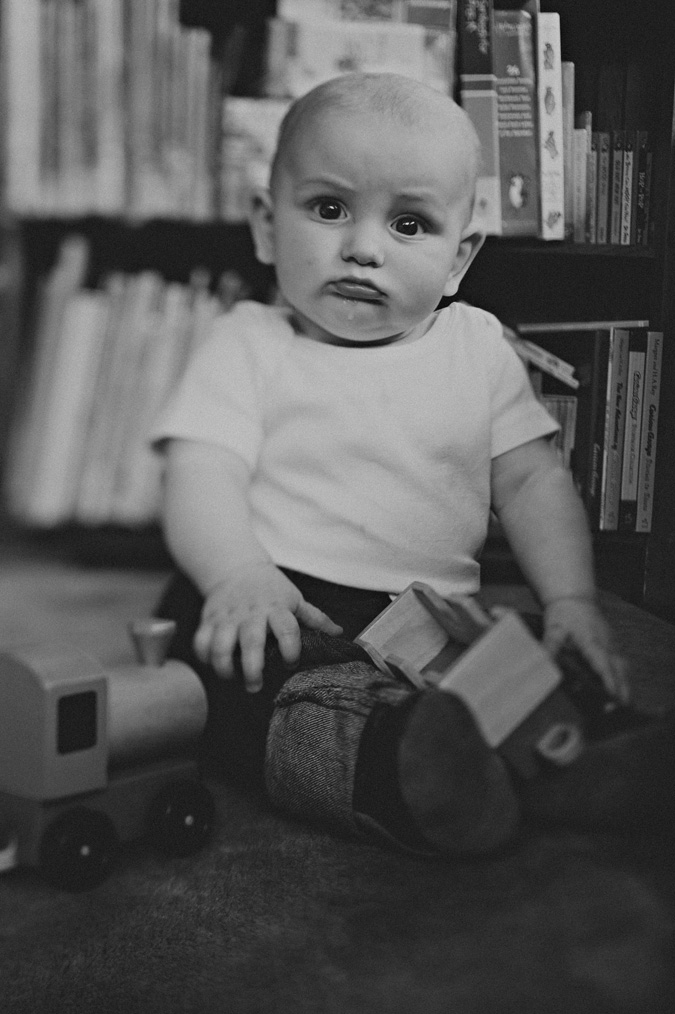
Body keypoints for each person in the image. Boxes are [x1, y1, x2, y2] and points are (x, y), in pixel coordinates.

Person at [151, 72, 629, 857]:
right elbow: (202, 470)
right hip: (285, 604)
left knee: (527, 663)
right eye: (328, 208)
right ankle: (390, 770)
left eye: (408, 223)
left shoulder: (476, 348)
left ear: (457, 258)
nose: (363, 248)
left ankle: (580, 758)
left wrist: (572, 600)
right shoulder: (250, 343)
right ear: (267, 226)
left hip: (429, 623)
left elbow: (531, 480)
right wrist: (236, 574)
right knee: (244, 687)